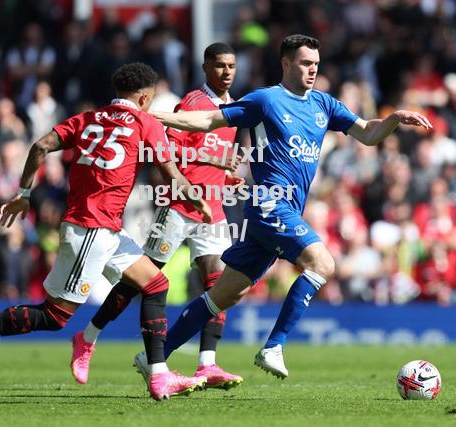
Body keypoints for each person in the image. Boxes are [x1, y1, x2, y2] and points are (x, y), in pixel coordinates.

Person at [148, 34, 432, 379]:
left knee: (224, 295)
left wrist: (393, 119)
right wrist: (153, 117)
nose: (312, 69)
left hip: (285, 212)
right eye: (304, 63)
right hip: (269, 203)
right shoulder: (266, 100)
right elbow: (209, 120)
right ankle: (274, 346)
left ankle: (154, 357)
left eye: (315, 63)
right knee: (322, 262)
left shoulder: (324, 105)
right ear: (286, 63)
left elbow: (369, 134)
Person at [0, 63, 212, 401]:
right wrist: (198, 198)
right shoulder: (145, 122)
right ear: (143, 99)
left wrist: (23, 195)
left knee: (156, 284)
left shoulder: (88, 118)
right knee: (53, 316)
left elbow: (39, 147)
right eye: (150, 101)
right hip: (92, 229)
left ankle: (158, 375)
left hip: (104, 229)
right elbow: (172, 174)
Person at [70, 43, 244, 390]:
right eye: (220, 66)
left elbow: (207, 152)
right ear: (206, 67)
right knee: (141, 279)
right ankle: (88, 336)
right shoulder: (193, 103)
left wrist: (223, 177)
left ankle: (206, 363)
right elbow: (170, 149)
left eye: (232, 66)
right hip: (180, 204)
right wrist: (212, 165)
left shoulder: (235, 108)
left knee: (219, 282)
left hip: (212, 207)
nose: (227, 72)